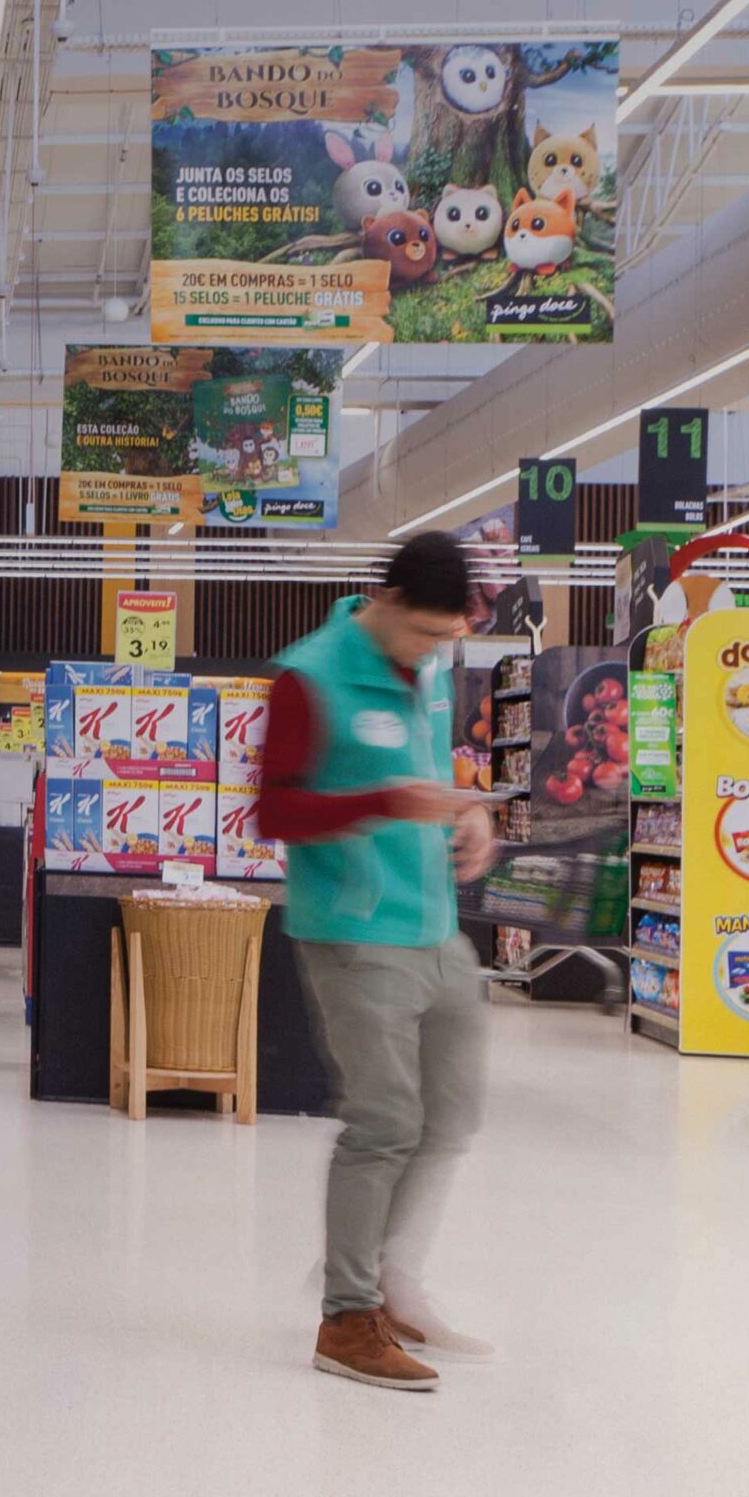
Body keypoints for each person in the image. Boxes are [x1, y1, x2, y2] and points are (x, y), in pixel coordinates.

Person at [260, 530, 502, 1391]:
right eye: (427, 634)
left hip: (437, 925)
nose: (438, 652)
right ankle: (346, 1318)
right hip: (355, 930)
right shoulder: (310, 675)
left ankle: (394, 1283)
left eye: (449, 638)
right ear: (387, 600)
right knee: (386, 1122)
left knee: (452, 1116)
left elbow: (429, 772)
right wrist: (384, 803)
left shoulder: (425, 668)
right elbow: (275, 813)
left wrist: (468, 812)